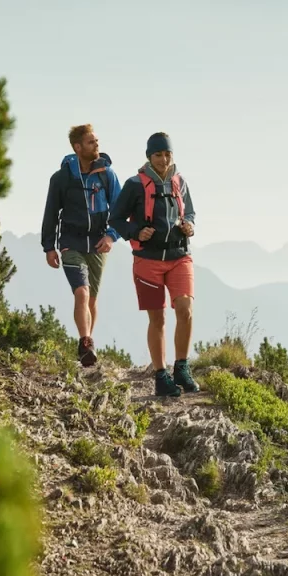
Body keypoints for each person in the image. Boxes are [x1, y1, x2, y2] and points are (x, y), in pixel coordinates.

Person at [111, 131, 198, 397]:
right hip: (147, 260)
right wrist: (136, 232)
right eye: (158, 154)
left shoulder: (180, 182)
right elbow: (115, 220)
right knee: (157, 318)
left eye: (167, 154)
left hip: (179, 256)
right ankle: (161, 376)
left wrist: (190, 225)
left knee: (185, 309)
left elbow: (191, 212)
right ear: (149, 156)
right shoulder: (134, 184)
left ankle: (181, 368)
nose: (163, 159)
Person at [41, 124, 122, 367]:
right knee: (82, 292)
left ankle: (87, 345)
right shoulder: (62, 178)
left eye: (97, 141)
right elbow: (51, 213)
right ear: (78, 147)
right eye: (91, 142)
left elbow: (119, 209)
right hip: (70, 243)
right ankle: (85, 341)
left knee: (92, 300)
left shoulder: (107, 174)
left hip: (98, 243)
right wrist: (49, 247)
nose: (96, 145)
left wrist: (111, 236)